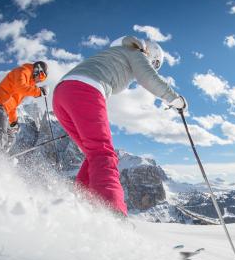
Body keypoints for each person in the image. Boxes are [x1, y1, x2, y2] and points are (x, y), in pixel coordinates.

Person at [53, 36, 187, 216]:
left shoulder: (115, 52)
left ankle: (80, 206)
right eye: (154, 64)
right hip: (85, 90)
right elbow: (147, 77)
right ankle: (113, 214)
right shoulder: (135, 52)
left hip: (62, 93)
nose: (152, 67)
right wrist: (175, 99)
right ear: (151, 54)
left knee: (93, 154)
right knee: (104, 153)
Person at [0, 61, 49, 152]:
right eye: (42, 76)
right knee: (1, 132)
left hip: (2, 108)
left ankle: (0, 157)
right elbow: (20, 87)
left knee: (10, 137)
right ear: (37, 69)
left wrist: (13, 122)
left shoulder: (27, 85)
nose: (40, 80)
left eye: (43, 79)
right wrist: (38, 91)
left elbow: (12, 105)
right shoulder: (23, 71)